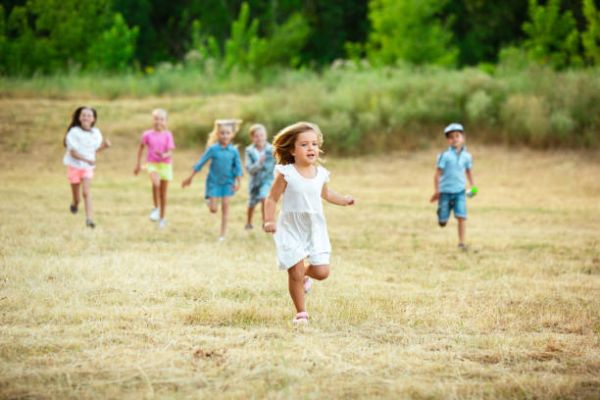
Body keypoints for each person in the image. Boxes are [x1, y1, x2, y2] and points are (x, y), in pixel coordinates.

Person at [263, 122, 354, 325]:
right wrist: (269, 220)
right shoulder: (286, 173)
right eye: (304, 144)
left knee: (322, 272)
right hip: (290, 226)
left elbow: (326, 194)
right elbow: (271, 199)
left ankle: (305, 274)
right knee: (293, 270)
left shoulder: (321, 174)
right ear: (292, 150)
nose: (311, 148)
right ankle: (301, 313)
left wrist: (344, 200)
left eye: (314, 143)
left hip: (314, 227)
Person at [182, 119, 243, 241]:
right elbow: (200, 163)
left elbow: (238, 168)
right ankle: (209, 201)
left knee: (225, 207)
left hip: (228, 182)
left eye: (227, 133)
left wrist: (238, 182)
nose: (225, 135)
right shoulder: (213, 149)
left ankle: (222, 235)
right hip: (214, 182)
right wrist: (190, 177)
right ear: (218, 134)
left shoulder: (234, 151)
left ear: (232, 135)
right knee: (214, 210)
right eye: (222, 133)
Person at [63, 106, 111, 228]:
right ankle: (74, 204)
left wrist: (104, 146)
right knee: (77, 198)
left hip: (87, 167)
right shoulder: (73, 132)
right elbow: (73, 153)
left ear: (93, 119)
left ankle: (89, 219)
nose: (86, 117)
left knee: (86, 192)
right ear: (79, 117)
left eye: (89, 115)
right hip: (74, 166)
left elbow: (95, 150)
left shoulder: (96, 133)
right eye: (83, 115)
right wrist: (87, 160)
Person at [430, 123, 476, 250]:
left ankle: (461, 243)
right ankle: (442, 215)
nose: (455, 139)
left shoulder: (467, 156)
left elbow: (468, 171)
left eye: (457, 135)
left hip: (460, 191)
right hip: (445, 191)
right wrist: (436, 191)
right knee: (443, 222)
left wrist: (473, 186)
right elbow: (437, 174)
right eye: (451, 137)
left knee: (461, 217)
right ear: (447, 140)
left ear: (463, 137)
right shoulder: (444, 156)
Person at [134, 108, 175, 229]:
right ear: (152, 120)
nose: (158, 121)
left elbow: (171, 151)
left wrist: (164, 155)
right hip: (152, 164)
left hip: (165, 165)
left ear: (166, 121)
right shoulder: (147, 134)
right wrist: (138, 164)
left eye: (161, 119)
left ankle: (162, 219)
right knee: (156, 184)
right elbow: (141, 149)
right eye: (156, 118)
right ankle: (155, 208)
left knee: (163, 194)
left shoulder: (168, 135)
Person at [244, 124, 275, 230]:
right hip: (254, 182)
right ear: (252, 138)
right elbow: (249, 169)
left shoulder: (272, 149)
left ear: (266, 136)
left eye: (262, 135)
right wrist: (259, 162)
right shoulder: (249, 151)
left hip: (267, 180)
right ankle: (248, 222)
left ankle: (265, 222)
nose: (259, 138)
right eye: (256, 136)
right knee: (251, 203)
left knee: (264, 198)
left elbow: (277, 163)